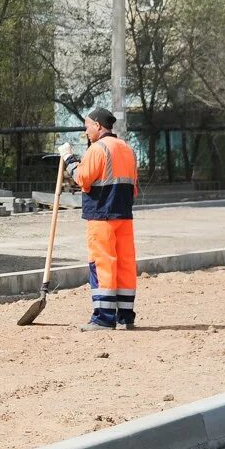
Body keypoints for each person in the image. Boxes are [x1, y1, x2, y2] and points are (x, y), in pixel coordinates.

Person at [61, 106, 140, 331]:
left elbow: (83, 178)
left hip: (101, 215)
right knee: (125, 264)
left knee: (102, 264)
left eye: (87, 127)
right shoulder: (127, 149)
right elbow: (133, 187)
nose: (86, 132)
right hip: (124, 215)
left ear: (97, 125)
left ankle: (104, 318)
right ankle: (126, 316)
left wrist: (69, 159)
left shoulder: (98, 149)